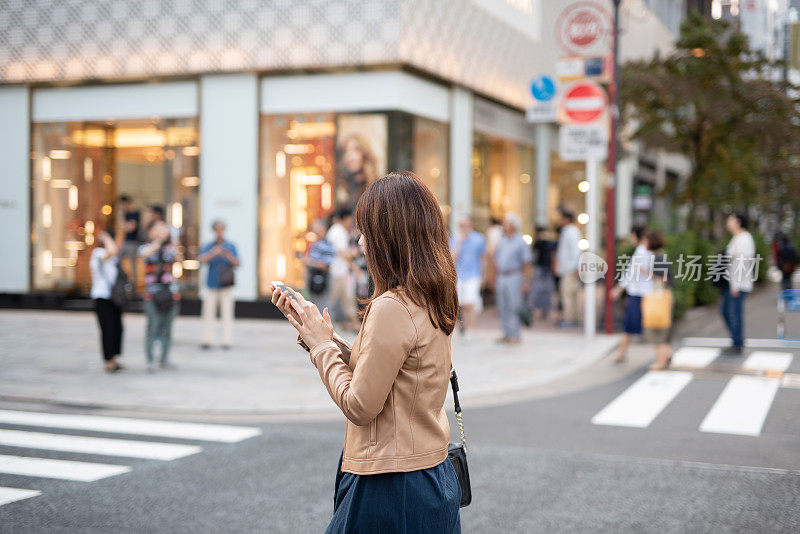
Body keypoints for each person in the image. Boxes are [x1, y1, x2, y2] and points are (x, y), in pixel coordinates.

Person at [271, 171, 461, 533]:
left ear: (387, 239)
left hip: (389, 482)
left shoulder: (392, 306)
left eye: (367, 233)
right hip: (430, 473)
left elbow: (359, 404)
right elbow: (394, 369)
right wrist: (321, 335)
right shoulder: (432, 294)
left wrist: (322, 347)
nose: (361, 244)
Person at [138, 219, 181, 372]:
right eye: (158, 228)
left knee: (167, 327)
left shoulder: (170, 249)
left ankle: (164, 358)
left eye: (164, 229)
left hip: (169, 292)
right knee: (152, 326)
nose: (163, 231)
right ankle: (150, 359)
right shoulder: (145, 247)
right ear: (151, 232)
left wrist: (174, 244)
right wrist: (158, 241)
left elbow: (178, 260)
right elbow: (145, 254)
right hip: (152, 293)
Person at [610, 228, 653, 364]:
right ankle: (621, 353)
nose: (630, 239)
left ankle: (621, 354)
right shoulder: (648, 251)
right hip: (646, 292)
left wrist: (618, 289)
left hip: (638, 293)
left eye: (631, 236)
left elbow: (631, 273)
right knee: (648, 324)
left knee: (628, 326)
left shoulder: (640, 251)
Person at [198, 220, 240, 350]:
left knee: (227, 313)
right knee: (208, 313)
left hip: (226, 285)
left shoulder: (230, 245)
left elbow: (237, 262)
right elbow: (201, 260)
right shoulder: (209, 245)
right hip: (212, 284)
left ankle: (226, 341)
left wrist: (226, 254)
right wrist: (213, 253)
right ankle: (207, 339)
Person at [720, 212, 756, 356]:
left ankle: (737, 343)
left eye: (731, 220)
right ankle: (737, 340)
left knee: (734, 313)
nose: (728, 223)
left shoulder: (744, 239)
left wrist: (736, 284)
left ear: (738, 222)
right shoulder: (737, 238)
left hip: (737, 284)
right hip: (732, 283)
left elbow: (743, 262)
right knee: (727, 311)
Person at [494, 213, 533, 344]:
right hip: (502, 276)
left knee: (513, 305)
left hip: (514, 276)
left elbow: (526, 263)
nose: (504, 225)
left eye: (506, 222)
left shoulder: (521, 242)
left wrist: (526, 281)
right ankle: (506, 333)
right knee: (502, 305)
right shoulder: (502, 240)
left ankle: (515, 334)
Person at [90, 230, 124, 373]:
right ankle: (108, 361)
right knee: (107, 330)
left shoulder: (112, 257)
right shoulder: (98, 253)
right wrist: (106, 237)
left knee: (118, 328)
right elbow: (113, 250)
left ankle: (114, 358)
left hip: (113, 297)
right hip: (102, 297)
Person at [449, 215, 486, 340]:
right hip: (460, 276)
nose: (461, 227)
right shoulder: (455, 239)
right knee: (462, 304)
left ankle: (471, 329)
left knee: (470, 303)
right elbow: (452, 258)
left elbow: (483, 259)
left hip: (473, 275)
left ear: (470, 224)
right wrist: (459, 242)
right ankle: (465, 329)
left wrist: (483, 276)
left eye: (463, 224)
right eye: (460, 225)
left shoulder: (478, 239)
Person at [642, 230, 673, 370]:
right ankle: (667, 356)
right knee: (663, 328)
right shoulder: (660, 255)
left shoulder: (659, 258)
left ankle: (661, 361)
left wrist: (645, 273)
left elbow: (663, 279)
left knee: (656, 328)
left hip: (660, 296)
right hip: (664, 296)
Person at [327, 208, 359, 332]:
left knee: (344, 299)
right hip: (338, 272)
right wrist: (354, 253)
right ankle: (355, 324)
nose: (351, 221)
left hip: (338, 272)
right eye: (350, 218)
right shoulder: (338, 231)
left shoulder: (335, 230)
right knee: (339, 299)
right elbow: (342, 253)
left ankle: (352, 323)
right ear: (345, 218)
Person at [554, 209, 581, 328]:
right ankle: (572, 317)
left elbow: (576, 251)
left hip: (569, 268)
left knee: (568, 294)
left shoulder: (570, 232)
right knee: (571, 294)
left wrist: (576, 267)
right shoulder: (571, 231)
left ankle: (569, 318)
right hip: (569, 268)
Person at [304, 218, 336, 313]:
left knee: (322, 306)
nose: (313, 228)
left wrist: (310, 262)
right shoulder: (315, 243)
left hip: (321, 279)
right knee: (312, 304)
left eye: (316, 226)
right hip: (312, 279)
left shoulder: (327, 244)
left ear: (323, 228)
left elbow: (326, 265)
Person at [529, 226, 556, 321]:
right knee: (537, 290)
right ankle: (536, 308)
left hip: (546, 269)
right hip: (540, 268)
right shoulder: (538, 244)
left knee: (546, 290)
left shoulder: (549, 244)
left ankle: (545, 309)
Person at [118, 195, 141, 289]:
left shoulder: (136, 213)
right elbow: (123, 226)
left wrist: (126, 226)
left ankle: (134, 283)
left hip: (133, 242)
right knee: (118, 259)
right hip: (126, 241)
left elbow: (131, 228)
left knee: (132, 263)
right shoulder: (125, 213)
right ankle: (123, 279)